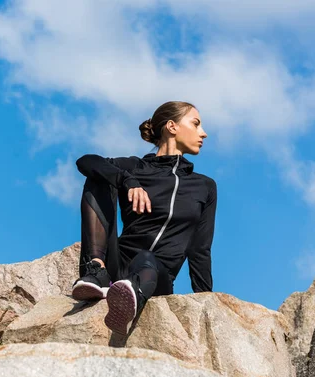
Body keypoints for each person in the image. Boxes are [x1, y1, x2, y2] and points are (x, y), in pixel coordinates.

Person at [71, 101, 217, 335]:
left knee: (147, 260)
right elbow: (86, 162)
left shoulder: (204, 186)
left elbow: (200, 249)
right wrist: (127, 181)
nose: (203, 133)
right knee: (98, 176)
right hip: (117, 264)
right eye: (196, 124)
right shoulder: (136, 167)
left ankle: (128, 299)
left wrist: (207, 301)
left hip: (156, 277)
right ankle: (96, 271)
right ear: (172, 126)